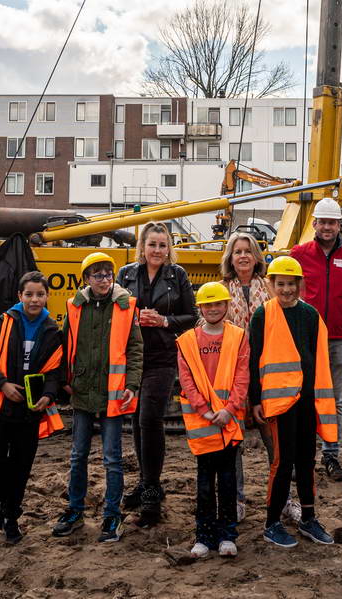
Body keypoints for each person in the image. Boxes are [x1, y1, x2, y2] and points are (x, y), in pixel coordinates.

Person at [52, 252, 143, 543]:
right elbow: (66, 345)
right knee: (78, 456)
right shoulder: (76, 307)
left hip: (113, 395)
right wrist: (66, 381)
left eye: (108, 274)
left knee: (112, 459)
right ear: (86, 279)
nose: (104, 280)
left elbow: (135, 350)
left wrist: (132, 383)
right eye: (97, 275)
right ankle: (75, 510)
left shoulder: (126, 307)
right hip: (82, 393)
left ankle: (111, 515)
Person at [249, 256, 338, 548]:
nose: (286, 290)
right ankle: (272, 522)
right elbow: (253, 361)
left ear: (300, 285)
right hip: (279, 403)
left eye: (291, 284)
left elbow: (317, 361)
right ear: (271, 285)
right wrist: (255, 400)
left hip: (307, 401)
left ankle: (309, 518)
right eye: (281, 284)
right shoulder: (262, 315)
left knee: (306, 461)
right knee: (282, 462)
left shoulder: (310, 316)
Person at [0, 271, 65, 544]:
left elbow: (55, 371)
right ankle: (5, 505)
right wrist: (2, 384)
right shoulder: (3, 323)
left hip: (30, 410)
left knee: (22, 466)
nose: (34, 300)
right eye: (29, 294)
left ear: (47, 296)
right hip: (1, 406)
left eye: (39, 294)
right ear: (20, 296)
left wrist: (49, 395)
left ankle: (11, 517)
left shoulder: (52, 330)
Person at [117, 221, 198, 527]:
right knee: (137, 421)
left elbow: (191, 316)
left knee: (150, 418)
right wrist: (133, 317)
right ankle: (145, 480)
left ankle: (152, 486)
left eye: (163, 245)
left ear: (169, 249)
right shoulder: (126, 275)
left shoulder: (177, 276)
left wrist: (163, 321)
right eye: (152, 244)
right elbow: (115, 310)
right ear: (143, 246)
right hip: (133, 358)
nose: (157, 250)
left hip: (164, 356)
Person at [220, 232, 303, 523]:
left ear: (257, 257)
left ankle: (283, 499)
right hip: (231, 374)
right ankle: (236, 499)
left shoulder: (269, 290)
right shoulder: (220, 289)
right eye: (237, 251)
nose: (242, 256)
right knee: (233, 442)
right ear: (230, 258)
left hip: (267, 373)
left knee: (275, 441)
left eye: (248, 251)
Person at [290, 197, 342, 481]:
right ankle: (300, 457)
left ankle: (331, 455)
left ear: (340, 225)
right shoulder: (299, 254)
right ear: (314, 224)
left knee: (333, 401)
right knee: (301, 400)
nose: (327, 227)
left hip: (339, 340)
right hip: (305, 341)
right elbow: (283, 291)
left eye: (332, 223)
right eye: (323, 222)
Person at [177, 282, 249, 558]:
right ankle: (204, 536)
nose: (214, 309)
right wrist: (205, 411)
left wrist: (229, 409)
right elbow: (187, 381)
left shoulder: (238, 336)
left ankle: (227, 535)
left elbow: (242, 377)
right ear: (200, 308)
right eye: (208, 305)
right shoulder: (187, 341)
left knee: (228, 480)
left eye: (218, 304)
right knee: (205, 481)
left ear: (227, 305)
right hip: (203, 422)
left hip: (228, 421)